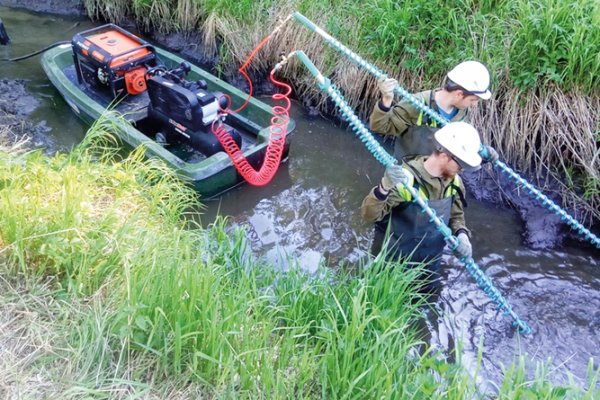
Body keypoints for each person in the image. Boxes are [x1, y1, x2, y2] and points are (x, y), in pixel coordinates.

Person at [361, 121, 482, 293]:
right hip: (392, 264)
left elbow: (456, 216)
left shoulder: (455, 183)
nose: (462, 169)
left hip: (429, 266)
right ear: (445, 155)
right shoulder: (405, 181)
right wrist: (384, 188)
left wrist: (462, 235)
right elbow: (369, 215)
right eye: (460, 163)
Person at [370, 61, 497, 162]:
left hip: (439, 180)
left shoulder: (461, 114)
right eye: (473, 100)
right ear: (459, 94)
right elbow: (379, 127)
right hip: (407, 176)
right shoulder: (417, 103)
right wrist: (386, 99)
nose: (474, 105)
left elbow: (459, 148)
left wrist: (479, 152)